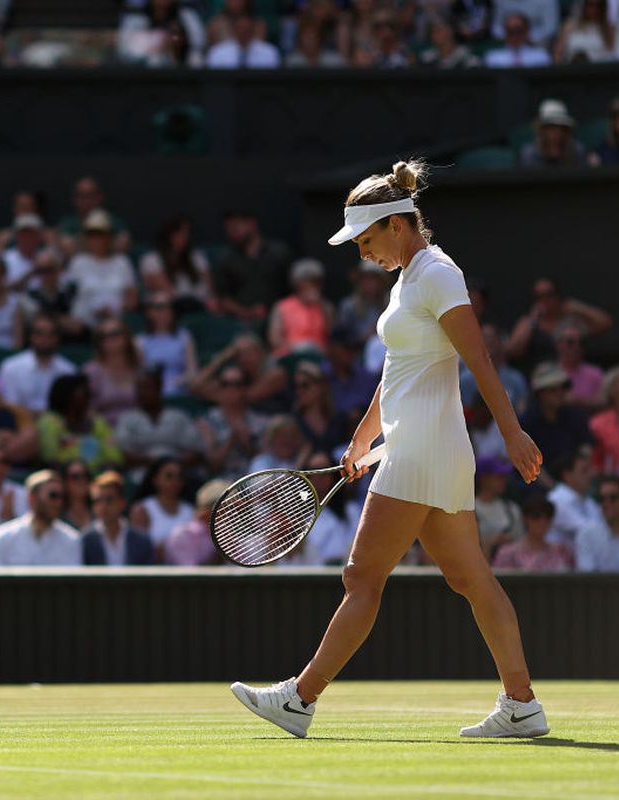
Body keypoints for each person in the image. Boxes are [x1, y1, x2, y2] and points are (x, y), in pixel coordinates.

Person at [230, 160, 548, 740]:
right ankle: (521, 704)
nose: (361, 254)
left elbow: (479, 359)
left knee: (361, 575)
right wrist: (363, 435)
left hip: (424, 448)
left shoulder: (437, 275)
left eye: (366, 240)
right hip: (426, 447)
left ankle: (299, 699)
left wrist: (511, 431)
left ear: (397, 225)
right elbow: (399, 369)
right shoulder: (410, 278)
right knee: (471, 577)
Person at [506, 277, 612, 375]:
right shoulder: (528, 322)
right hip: (540, 379)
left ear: (558, 295)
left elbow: (605, 324)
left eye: (549, 295)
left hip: (572, 377)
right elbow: (514, 350)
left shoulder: (571, 320)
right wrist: (533, 320)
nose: (545, 300)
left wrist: (580, 308)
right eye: (539, 297)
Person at [0, 470, 81, 566]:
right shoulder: (4, 536)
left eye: (62, 497)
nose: (59, 502)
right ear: (32, 497)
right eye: (53, 495)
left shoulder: (71, 539)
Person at [212, 211, 292, 324]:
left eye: (235, 226)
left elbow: (293, 289)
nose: (231, 232)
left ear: (252, 224)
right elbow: (222, 298)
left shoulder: (278, 253)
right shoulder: (225, 259)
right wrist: (247, 312)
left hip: (280, 319)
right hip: (240, 323)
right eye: (228, 228)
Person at [114, 367, 201, 472]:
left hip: (178, 472)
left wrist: (171, 463)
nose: (142, 393)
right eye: (139, 388)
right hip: (141, 475)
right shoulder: (127, 420)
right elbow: (123, 455)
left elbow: (196, 452)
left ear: (159, 388)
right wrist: (155, 463)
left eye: (147, 388)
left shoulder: (178, 417)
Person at [520, 363, 593, 483]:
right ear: (540, 393)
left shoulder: (575, 416)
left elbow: (586, 448)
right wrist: (553, 487)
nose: (559, 393)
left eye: (563, 387)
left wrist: (575, 476)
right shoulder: (527, 421)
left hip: (574, 480)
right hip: (536, 482)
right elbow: (529, 463)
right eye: (552, 389)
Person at [37, 374, 122, 472]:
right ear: (66, 395)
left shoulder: (98, 422)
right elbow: (49, 459)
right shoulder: (49, 422)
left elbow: (114, 457)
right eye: (83, 392)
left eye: (88, 393)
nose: (88, 396)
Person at [196, 364, 268, 481]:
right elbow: (211, 465)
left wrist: (248, 444)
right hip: (219, 484)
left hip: (253, 484)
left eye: (237, 383)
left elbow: (267, 464)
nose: (231, 389)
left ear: (245, 387)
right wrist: (231, 441)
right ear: (219, 388)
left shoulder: (260, 421)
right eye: (225, 384)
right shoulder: (207, 421)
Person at [0, 314, 77, 415]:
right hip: (18, 424)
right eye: (39, 333)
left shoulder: (68, 370)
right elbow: (5, 403)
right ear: (31, 336)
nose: (45, 339)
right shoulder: (9, 367)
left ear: (58, 338)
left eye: (51, 334)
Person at [67, 210, 137, 328]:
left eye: (100, 234)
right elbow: (69, 297)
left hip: (116, 325)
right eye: (91, 235)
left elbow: (132, 300)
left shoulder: (122, 262)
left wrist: (114, 309)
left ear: (109, 237)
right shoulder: (78, 262)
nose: (96, 239)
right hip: (84, 327)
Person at [139, 215, 213, 313]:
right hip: (171, 307)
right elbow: (165, 289)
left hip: (200, 305)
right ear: (168, 234)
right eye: (179, 233)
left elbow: (209, 287)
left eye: (186, 233)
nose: (184, 237)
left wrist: (209, 300)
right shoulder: (151, 259)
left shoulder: (197, 257)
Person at [83, 471, 155, 566]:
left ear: (122, 503)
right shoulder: (85, 540)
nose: (103, 506)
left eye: (109, 499)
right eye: (98, 500)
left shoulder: (143, 541)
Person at [128, 457, 193, 558]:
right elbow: (138, 551)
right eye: (169, 476)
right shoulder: (141, 509)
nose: (175, 481)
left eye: (179, 476)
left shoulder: (190, 510)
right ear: (155, 479)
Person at [135, 293, 197, 397]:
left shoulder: (184, 336)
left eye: (168, 307)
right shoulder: (139, 341)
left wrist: (175, 383)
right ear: (149, 312)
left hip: (181, 391)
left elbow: (192, 372)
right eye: (159, 307)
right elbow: (140, 373)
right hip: (153, 394)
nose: (164, 311)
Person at [268, 260, 334, 357]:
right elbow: (274, 339)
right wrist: (295, 348)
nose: (314, 287)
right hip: (290, 355)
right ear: (298, 283)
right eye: (309, 282)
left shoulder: (325, 307)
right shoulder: (282, 306)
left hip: (319, 356)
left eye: (317, 282)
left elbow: (332, 335)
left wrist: (322, 306)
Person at [492, 495, 575, 571]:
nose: (542, 521)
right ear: (525, 518)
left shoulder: (563, 551)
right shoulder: (508, 553)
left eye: (548, 516)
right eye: (536, 516)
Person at [83, 320, 140, 426]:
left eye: (115, 334)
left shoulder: (139, 368)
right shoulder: (91, 371)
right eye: (103, 336)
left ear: (126, 337)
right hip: (104, 431)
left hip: (137, 430)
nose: (109, 339)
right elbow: (86, 410)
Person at [546, 449, 603, 546]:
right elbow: (588, 532)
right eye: (585, 471)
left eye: (590, 470)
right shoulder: (557, 500)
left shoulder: (588, 501)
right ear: (567, 475)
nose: (592, 474)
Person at [164, 478, 226, 566]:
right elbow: (191, 577)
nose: (233, 514)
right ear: (207, 512)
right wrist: (221, 554)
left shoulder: (237, 536)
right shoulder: (183, 535)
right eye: (226, 509)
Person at [474, 455, 524, 560]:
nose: (504, 480)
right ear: (484, 478)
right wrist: (490, 543)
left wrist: (509, 541)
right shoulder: (468, 509)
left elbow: (522, 543)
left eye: (505, 476)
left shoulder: (512, 508)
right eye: (499, 476)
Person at [518, 99, 586, 168]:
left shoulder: (577, 151)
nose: (557, 132)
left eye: (562, 128)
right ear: (542, 130)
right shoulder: (529, 154)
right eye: (551, 127)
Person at [553, 320, 603, 411]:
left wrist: (577, 401)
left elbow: (604, 401)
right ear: (558, 344)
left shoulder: (595, 374)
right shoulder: (549, 373)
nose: (576, 347)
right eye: (570, 342)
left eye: (581, 343)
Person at [205, 10, 281, 67]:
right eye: (240, 29)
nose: (243, 33)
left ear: (253, 30)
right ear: (234, 30)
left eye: (247, 30)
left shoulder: (269, 52)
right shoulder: (217, 53)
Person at [484, 14, 553, 67]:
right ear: (505, 33)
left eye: (519, 31)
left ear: (527, 31)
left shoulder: (541, 56)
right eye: (511, 32)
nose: (515, 36)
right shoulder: (493, 58)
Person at [417, 14, 481, 68]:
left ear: (450, 32)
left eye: (438, 31)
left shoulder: (466, 57)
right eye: (432, 32)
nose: (434, 35)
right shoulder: (427, 58)